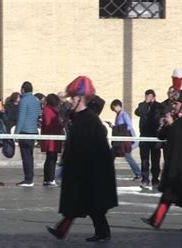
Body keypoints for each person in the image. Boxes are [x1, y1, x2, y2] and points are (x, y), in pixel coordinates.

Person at [46, 76, 118, 242]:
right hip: (79, 168)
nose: (71, 100)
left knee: (88, 204)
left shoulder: (90, 120)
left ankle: (98, 232)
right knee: (81, 204)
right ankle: (64, 230)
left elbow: (96, 149)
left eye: (73, 98)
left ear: (79, 98)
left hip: (89, 170)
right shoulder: (77, 118)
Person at [141, 82, 182, 231]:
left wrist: (172, 125)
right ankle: (158, 220)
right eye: (173, 103)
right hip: (175, 163)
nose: (173, 106)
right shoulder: (175, 119)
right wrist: (164, 124)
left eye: (176, 104)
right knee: (171, 194)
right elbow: (161, 136)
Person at [134, 89, 163, 187]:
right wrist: (145, 103)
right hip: (144, 136)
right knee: (144, 159)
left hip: (155, 136)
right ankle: (145, 179)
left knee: (155, 159)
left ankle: (155, 179)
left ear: (154, 97)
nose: (148, 98)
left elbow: (160, 117)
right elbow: (137, 112)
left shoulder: (159, 106)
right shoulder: (142, 105)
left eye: (150, 96)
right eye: (146, 96)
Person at [15, 81, 41, 187]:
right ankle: (30, 177)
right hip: (34, 131)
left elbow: (21, 118)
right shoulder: (36, 100)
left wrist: (16, 133)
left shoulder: (23, 100)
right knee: (30, 155)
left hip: (25, 131)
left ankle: (28, 179)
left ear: (23, 89)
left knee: (25, 156)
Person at [110, 99, 141, 180]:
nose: (114, 110)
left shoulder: (124, 115)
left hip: (125, 140)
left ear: (118, 106)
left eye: (114, 108)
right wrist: (113, 127)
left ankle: (138, 173)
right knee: (112, 154)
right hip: (120, 140)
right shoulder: (118, 115)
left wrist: (120, 130)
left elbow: (129, 126)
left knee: (127, 156)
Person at [40, 94, 63, 187]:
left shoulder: (50, 110)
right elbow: (48, 123)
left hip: (53, 137)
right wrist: (60, 124)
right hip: (51, 138)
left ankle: (47, 179)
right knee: (51, 158)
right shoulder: (48, 110)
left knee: (50, 158)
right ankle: (50, 179)